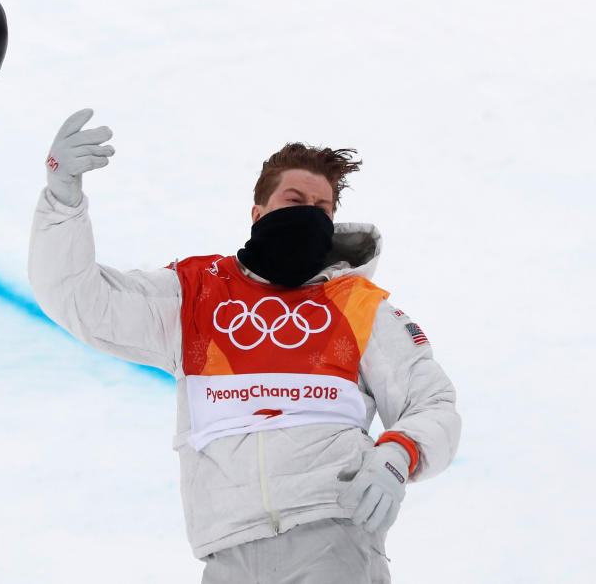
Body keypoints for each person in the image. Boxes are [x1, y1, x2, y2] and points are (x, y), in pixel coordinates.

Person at [28, 108, 461, 584]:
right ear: (258, 213)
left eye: (321, 210)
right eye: (294, 200)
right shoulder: (197, 294)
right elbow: (81, 299)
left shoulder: (359, 308)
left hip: (332, 537)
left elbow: (432, 402)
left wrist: (398, 455)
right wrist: (62, 201)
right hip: (226, 554)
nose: (307, 214)